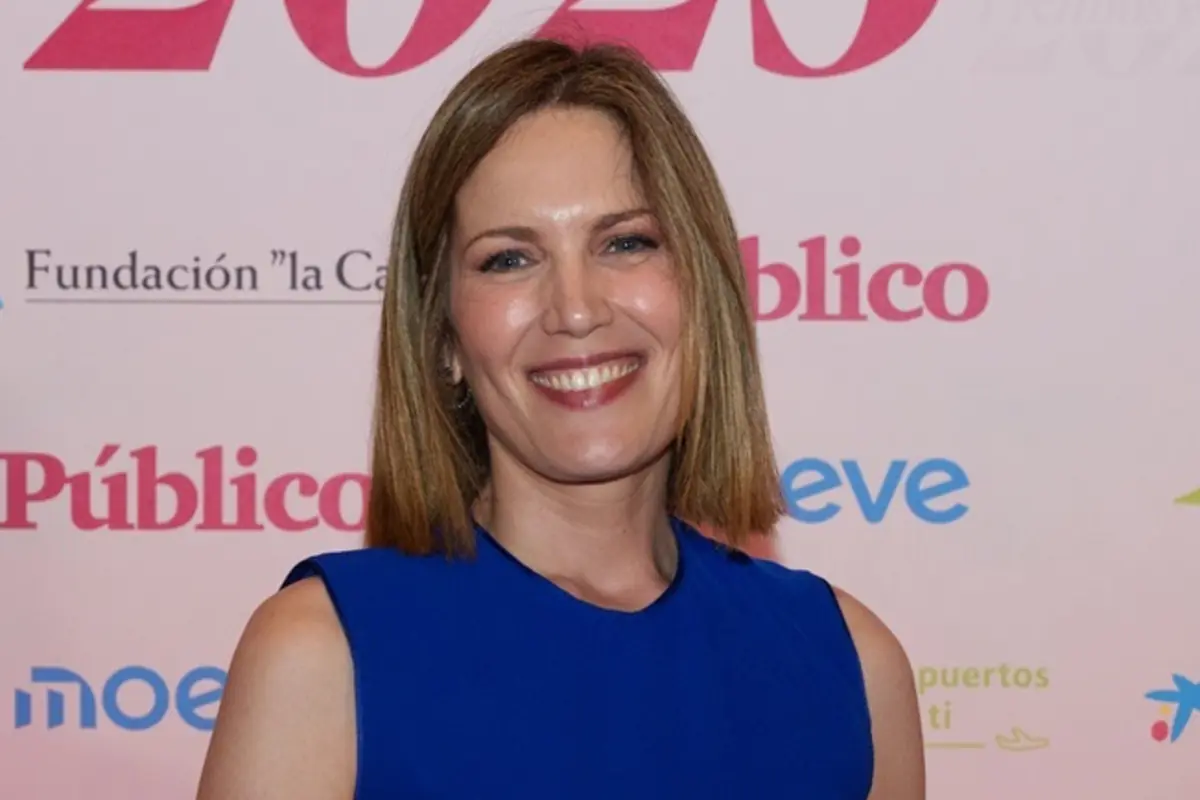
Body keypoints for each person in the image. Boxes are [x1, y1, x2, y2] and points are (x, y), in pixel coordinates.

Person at [196, 35, 924, 800]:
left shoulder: (849, 663)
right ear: (442, 334)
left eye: (626, 243)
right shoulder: (322, 655)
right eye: (509, 259)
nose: (576, 309)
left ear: (703, 293)